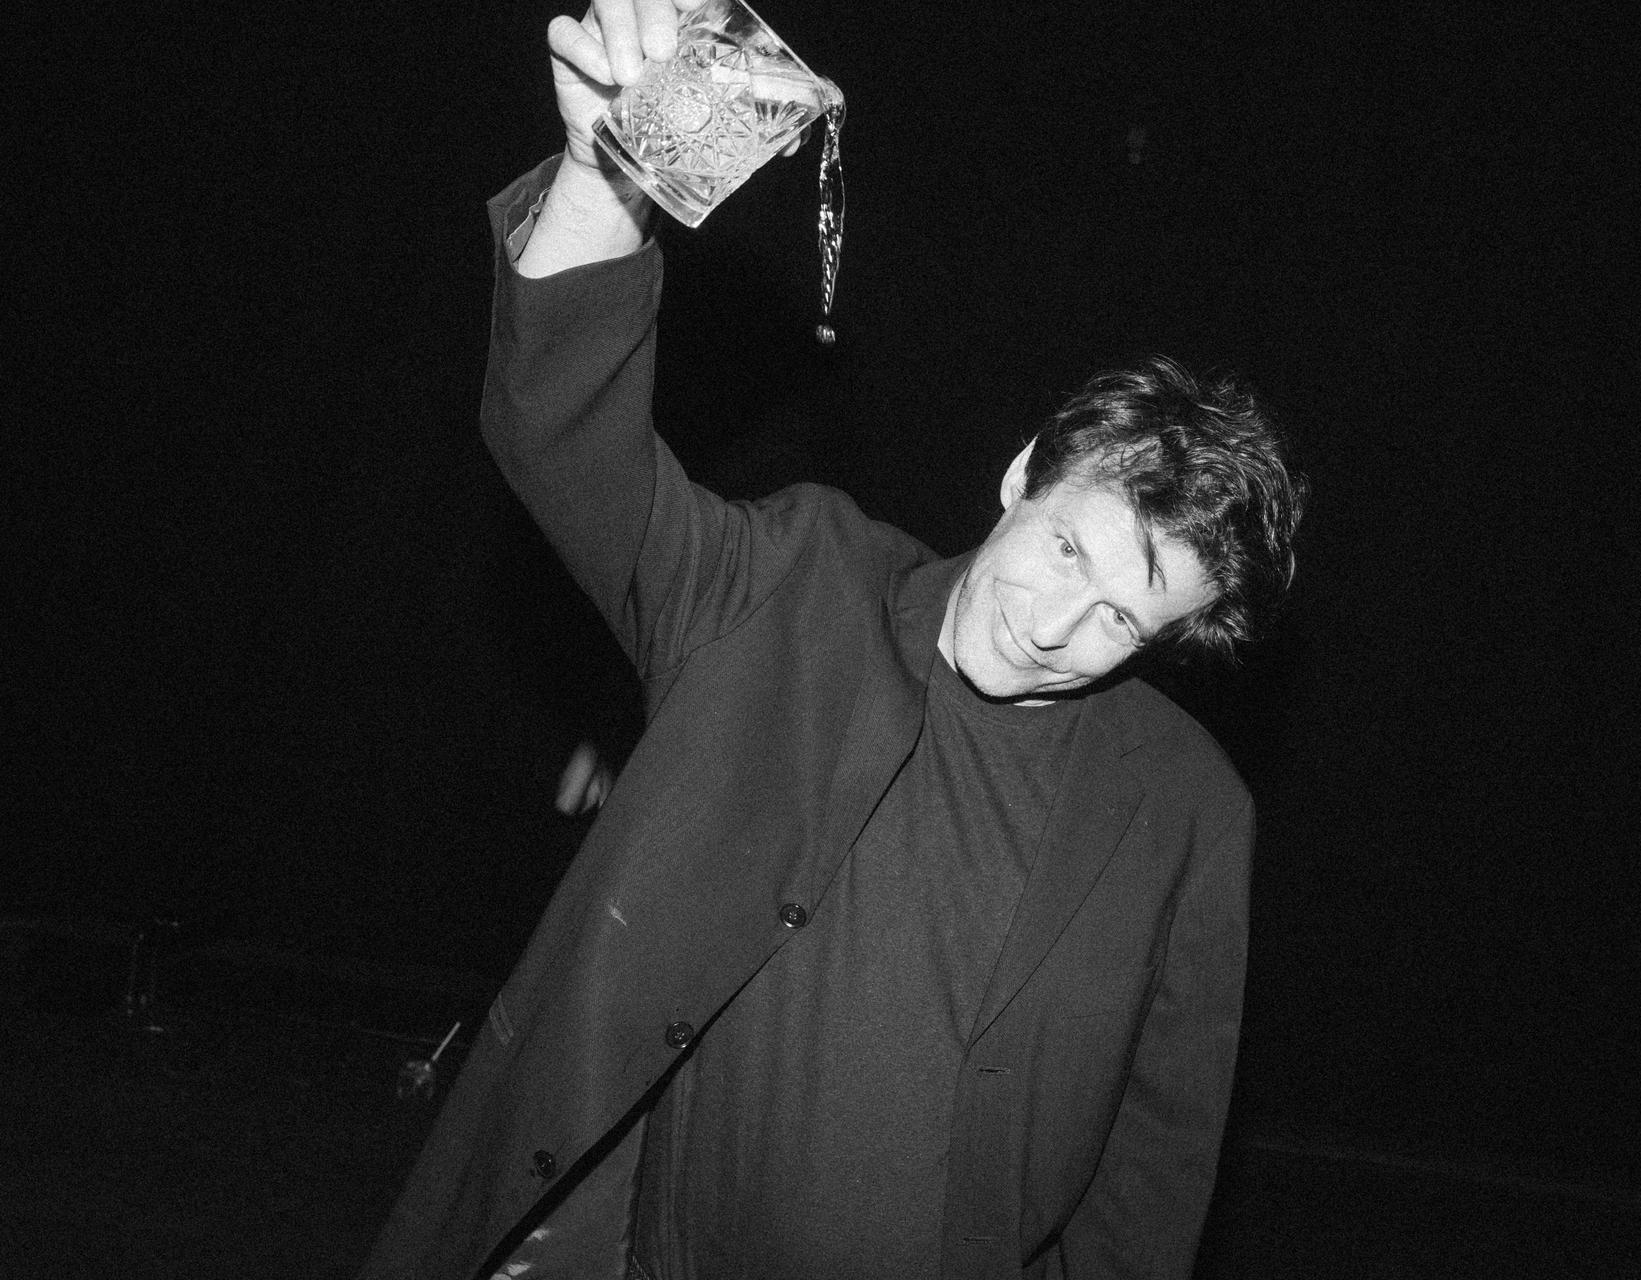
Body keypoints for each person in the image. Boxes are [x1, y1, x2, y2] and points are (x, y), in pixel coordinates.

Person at [361, 1, 1307, 1277]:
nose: (1052, 626)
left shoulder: (1188, 809)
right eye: (1070, 551)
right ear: (1025, 472)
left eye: (1122, 620)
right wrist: (604, 180)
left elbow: (1156, 1165)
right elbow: (557, 438)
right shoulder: (794, 586)